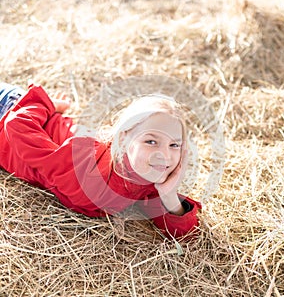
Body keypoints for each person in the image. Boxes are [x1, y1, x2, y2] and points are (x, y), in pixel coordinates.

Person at [0, 82, 201, 240]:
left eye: (174, 145)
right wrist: (45, 104)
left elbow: (185, 234)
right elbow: (17, 124)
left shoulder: (147, 179)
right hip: (8, 110)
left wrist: (169, 196)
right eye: (151, 141)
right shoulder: (88, 168)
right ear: (124, 139)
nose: (164, 156)